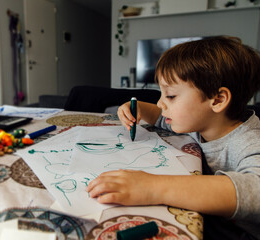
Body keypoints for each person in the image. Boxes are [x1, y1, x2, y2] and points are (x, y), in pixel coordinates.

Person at [86, 36, 260, 239]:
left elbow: (255, 189)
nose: (161, 104)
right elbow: (161, 117)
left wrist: (150, 187)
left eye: (170, 96)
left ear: (218, 100)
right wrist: (140, 108)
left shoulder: (249, 140)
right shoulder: (203, 122)